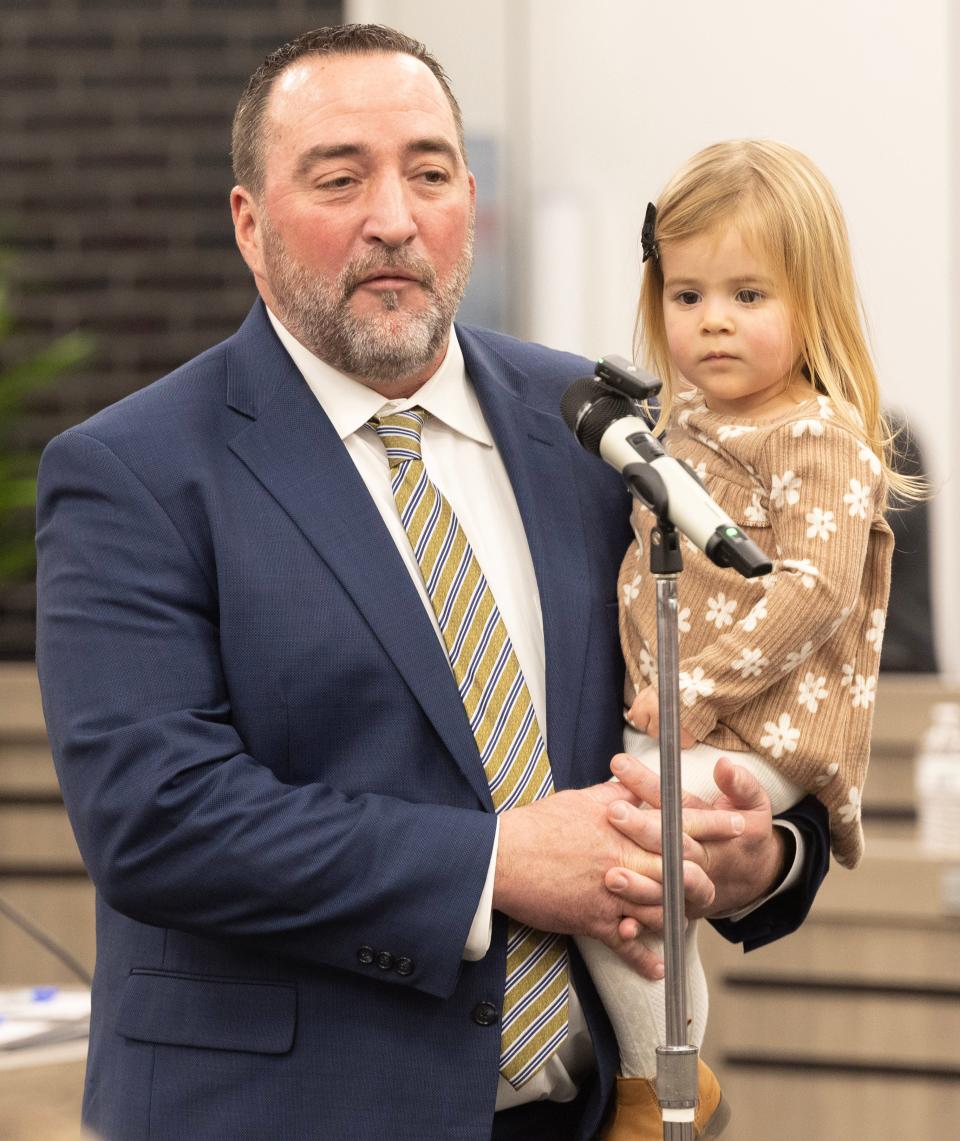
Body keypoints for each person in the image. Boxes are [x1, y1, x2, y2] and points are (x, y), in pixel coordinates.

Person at [34, 28, 831, 1141]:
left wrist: (759, 853)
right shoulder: (134, 471)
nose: (394, 218)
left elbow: (683, 694)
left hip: (582, 1114)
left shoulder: (593, 426)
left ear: (467, 198)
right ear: (249, 227)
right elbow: (156, 818)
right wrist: (498, 861)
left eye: (428, 171)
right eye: (339, 177)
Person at [576, 140, 912, 1140]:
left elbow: (814, 593)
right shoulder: (669, 436)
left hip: (763, 734)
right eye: (687, 296)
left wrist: (702, 689)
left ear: (815, 304)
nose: (713, 319)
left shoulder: (822, 440)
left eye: (749, 295)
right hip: (685, 719)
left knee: (619, 863)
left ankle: (657, 1081)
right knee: (629, 885)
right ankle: (663, 1080)